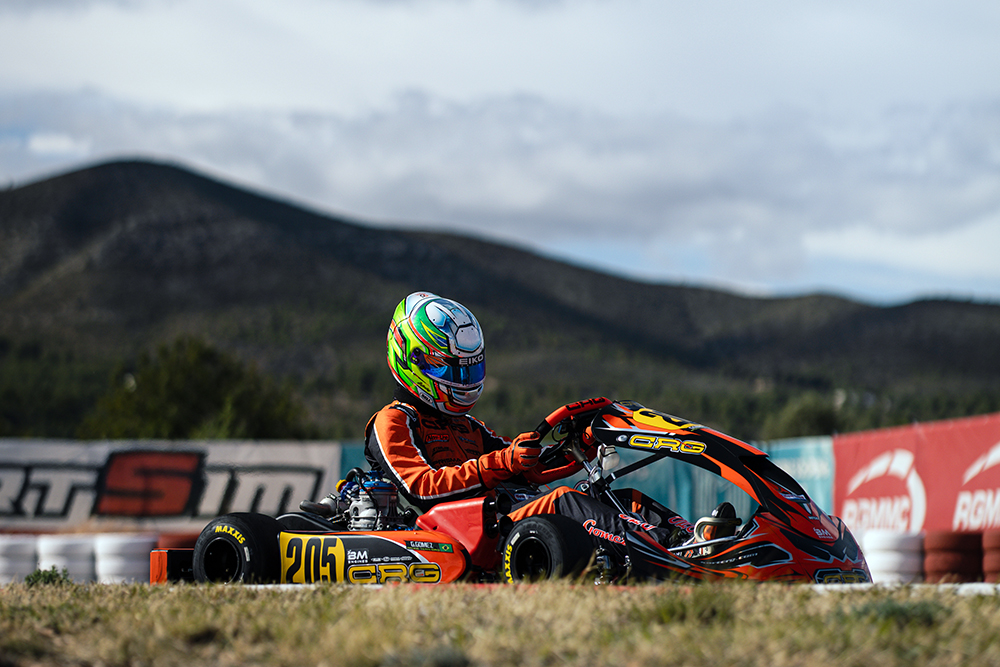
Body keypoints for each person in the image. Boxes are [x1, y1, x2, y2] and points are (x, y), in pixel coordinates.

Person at [364, 291, 695, 552]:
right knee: (563, 501)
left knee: (620, 498)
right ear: (414, 359)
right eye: (453, 369)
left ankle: (696, 538)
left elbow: (527, 469)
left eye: (469, 369)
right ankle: (668, 549)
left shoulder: (468, 427)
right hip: (451, 531)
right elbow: (422, 489)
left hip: (498, 518)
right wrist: (500, 462)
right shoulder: (393, 421)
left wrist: (578, 448)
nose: (463, 380)